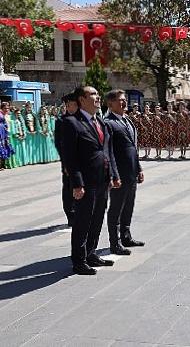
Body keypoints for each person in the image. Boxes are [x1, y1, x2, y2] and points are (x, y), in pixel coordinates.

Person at [61, 86, 117, 275]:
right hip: (85, 183)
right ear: (82, 100)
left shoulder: (99, 121)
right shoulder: (71, 123)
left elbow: (105, 152)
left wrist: (110, 176)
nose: (97, 97)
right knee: (82, 222)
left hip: (101, 180)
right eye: (92, 95)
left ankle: (91, 253)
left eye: (97, 94)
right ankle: (78, 261)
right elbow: (70, 157)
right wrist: (77, 184)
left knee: (97, 219)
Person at [104, 89, 145, 256]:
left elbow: (133, 148)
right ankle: (115, 242)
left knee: (129, 205)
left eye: (124, 100)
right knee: (116, 208)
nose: (124, 102)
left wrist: (139, 168)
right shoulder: (108, 122)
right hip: (119, 174)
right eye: (120, 100)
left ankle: (126, 236)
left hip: (131, 172)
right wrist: (113, 175)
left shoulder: (127, 120)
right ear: (110, 104)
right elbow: (108, 151)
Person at [54, 93, 79, 226]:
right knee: (69, 187)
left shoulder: (83, 120)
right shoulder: (61, 121)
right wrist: (65, 162)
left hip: (83, 161)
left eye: (74, 105)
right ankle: (71, 214)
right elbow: (59, 143)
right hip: (68, 161)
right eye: (68, 105)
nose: (71, 108)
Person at [0, 102, 15, 170]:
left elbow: (5, 124)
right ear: (2, 108)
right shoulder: (0, 114)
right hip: (0, 131)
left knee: (4, 146)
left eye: (8, 108)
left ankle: (2, 164)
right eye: (5, 108)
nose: (7, 109)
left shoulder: (5, 114)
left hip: (4, 132)